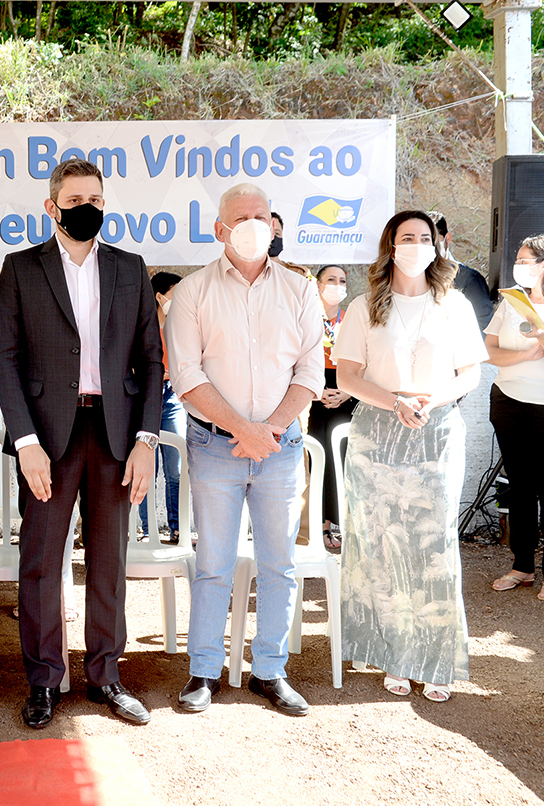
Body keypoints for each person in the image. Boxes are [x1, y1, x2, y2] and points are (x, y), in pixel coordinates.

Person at [0, 157, 162, 729]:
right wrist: (25, 440)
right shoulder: (20, 268)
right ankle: (44, 681)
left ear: (104, 204)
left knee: (110, 560)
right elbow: (5, 360)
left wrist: (146, 439)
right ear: (52, 206)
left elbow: (150, 360)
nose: (85, 208)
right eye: (74, 200)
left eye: (95, 199)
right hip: (48, 437)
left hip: (114, 434)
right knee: (40, 560)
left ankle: (106, 676)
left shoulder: (131, 269)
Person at [166, 182, 323, 717]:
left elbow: (309, 372)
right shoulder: (192, 292)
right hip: (215, 448)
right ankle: (204, 671)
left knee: (279, 563)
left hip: (281, 447)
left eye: (262, 214)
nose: (255, 223)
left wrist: (269, 431)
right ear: (220, 230)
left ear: (275, 224)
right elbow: (186, 376)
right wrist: (243, 430)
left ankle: (271, 671)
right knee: (213, 562)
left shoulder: (300, 290)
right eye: (242, 216)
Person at [333, 210, 486, 703]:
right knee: (381, 543)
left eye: (425, 237)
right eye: (407, 237)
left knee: (433, 545)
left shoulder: (455, 304)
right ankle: (395, 652)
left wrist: (430, 400)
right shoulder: (365, 306)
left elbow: (471, 375)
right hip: (378, 431)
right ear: (391, 246)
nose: (417, 245)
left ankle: (435, 658)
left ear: (437, 246)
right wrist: (394, 401)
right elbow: (347, 377)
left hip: (437, 431)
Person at [483, 234, 544, 601]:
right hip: (508, 401)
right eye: (518, 259)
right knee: (519, 488)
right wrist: (523, 357)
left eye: (527, 260)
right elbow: (489, 350)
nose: (519, 265)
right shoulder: (510, 301)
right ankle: (522, 566)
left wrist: (541, 333)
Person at [305, 265, 357, 550]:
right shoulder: (306, 318)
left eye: (342, 281)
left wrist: (346, 393)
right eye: (330, 280)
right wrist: (318, 392)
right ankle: (319, 526)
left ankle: (342, 524)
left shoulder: (351, 320)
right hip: (316, 395)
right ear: (318, 285)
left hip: (346, 395)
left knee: (345, 459)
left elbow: (365, 363)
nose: (337, 285)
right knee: (319, 459)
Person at [139, 271, 185, 544]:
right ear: (159, 296)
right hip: (146, 396)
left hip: (173, 398)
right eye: (175, 293)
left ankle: (177, 526)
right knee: (148, 466)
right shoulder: (141, 326)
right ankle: (148, 529)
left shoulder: (182, 326)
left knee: (175, 467)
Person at [429, 211, 493, 334]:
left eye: (432, 240)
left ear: (448, 238)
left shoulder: (469, 280)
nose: (428, 246)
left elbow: (484, 330)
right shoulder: (411, 278)